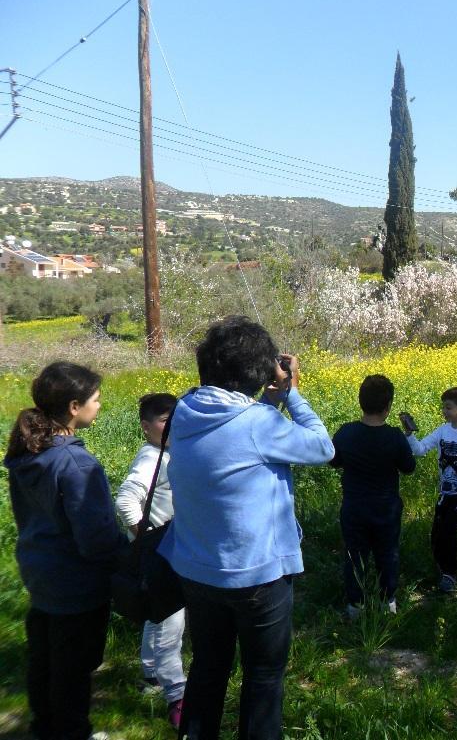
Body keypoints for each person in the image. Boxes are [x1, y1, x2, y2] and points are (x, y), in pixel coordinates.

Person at [158, 316, 334, 740]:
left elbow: (236, 434)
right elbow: (323, 448)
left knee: (208, 668)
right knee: (264, 676)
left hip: (196, 569)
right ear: (258, 373)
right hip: (256, 578)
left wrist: (266, 401)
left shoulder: (184, 410)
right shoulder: (259, 423)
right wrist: (293, 396)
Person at [5, 361, 127, 740]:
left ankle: (45, 728)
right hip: (76, 585)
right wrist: (130, 557)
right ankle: (73, 732)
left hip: (40, 575)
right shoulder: (76, 463)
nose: (100, 405)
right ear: (74, 407)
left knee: (44, 662)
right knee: (73, 672)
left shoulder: (29, 450)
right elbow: (96, 540)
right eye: (96, 399)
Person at [115, 392, 185, 729]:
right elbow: (127, 498)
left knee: (156, 616)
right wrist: (143, 536)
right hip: (161, 549)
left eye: (175, 418)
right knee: (171, 620)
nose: (170, 425)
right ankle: (177, 694)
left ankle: (151, 674)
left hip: (167, 549)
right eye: (163, 420)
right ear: (146, 427)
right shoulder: (151, 457)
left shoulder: (169, 453)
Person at [330, 375, 416, 618]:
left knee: (354, 555)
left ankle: (355, 605)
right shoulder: (395, 436)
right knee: (387, 554)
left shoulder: (346, 433)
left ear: (360, 402)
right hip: (386, 508)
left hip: (354, 508)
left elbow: (334, 461)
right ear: (388, 407)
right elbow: (409, 468)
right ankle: (386, 601)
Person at [405, 386, 457, 593]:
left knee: (448, 531)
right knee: (436, 535)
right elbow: (420, 450)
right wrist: (409, 434)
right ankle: (441, 568)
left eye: (448, 407)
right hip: (446, 495)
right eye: (443, 407)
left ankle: (450, 574)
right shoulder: (442, 431)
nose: (444, 411)